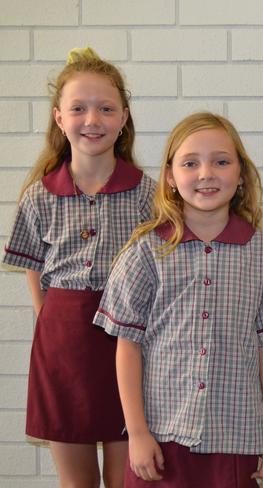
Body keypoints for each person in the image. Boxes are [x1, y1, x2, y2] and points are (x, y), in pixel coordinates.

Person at [94, 112, 263, 487]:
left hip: (234, 438)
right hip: (160, 439)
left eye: (221, 161)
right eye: (191, 163)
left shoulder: (262, 253)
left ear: (240, 175)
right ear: (171, 177)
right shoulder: (146, 251)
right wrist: (138, 434)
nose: (206, 173)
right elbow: (127, 346)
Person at [2, 47, 156, 487]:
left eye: (106, 109)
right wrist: (49, 322)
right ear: (58, 118)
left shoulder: (147, 194)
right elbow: (33, 266)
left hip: (127, 342)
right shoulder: (39, 195)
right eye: (79, 108)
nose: (93, 120)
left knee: (130, 480)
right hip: (63, 345)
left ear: (124, 117)